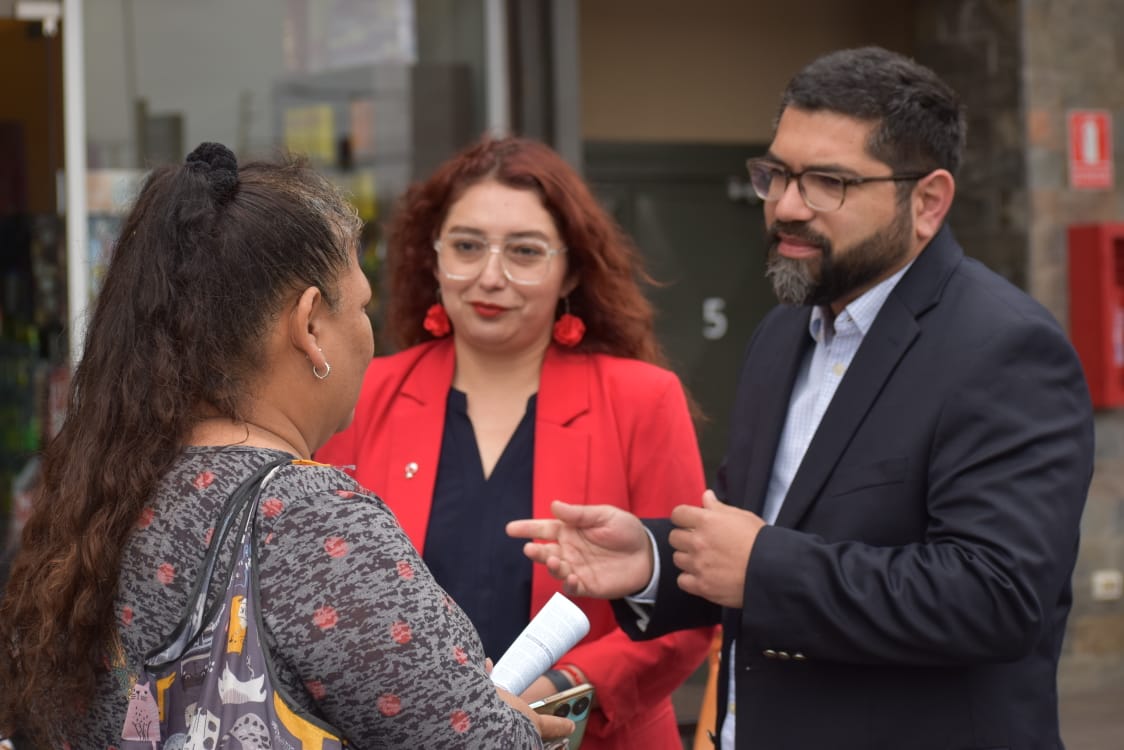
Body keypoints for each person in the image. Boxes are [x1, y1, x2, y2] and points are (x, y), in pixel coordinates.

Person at [508, 46, 1095, 750]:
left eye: (826, 182)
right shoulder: (782, 334)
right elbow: (754, 541)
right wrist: (657, 560)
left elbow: (997, 597)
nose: (786, 206)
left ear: (929, 202)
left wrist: (761, 564)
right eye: (777, 175)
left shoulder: (1004, 349)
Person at [0, 143, 572, 749]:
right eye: (360, 307)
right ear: (309, 326)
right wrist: (507, 722)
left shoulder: (98, 491)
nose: (369, 333)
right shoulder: (304, 515)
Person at [315, 135, 714, 750]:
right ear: (434, 256)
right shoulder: (363, 396)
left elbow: (685, 611)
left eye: (525, 252)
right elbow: (321, 595)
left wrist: (560, 686)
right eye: (468, 247)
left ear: (571, 269)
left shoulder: (643, 399)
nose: (490, 277)